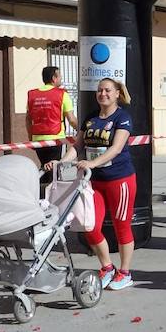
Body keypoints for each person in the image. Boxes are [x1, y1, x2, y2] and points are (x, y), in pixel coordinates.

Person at [47, 78, 136, 290]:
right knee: (90, 225)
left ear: (117, 94)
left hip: (120, 179)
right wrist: (60, 162)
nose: (102, 94)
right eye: (99, 90)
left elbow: (116, 148)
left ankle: (125, 272)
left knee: (121, 226)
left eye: (107, 90)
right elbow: (77, 146)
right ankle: (107, 267)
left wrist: (93, 162)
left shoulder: (122, 118)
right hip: (93, 182)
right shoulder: (90, 118)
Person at [26, 66, 78, 186]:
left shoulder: (32, 95)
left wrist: (31, 138)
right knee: (60, 168)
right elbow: (71, 119)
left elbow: (28, 119)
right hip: (56, 139)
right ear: (54, 78)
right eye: (59, 76)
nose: (61, 79)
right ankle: (57, 196)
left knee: (45, 168)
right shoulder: (62, 94)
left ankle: (40, 194)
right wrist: (81, 131)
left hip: (38, 140)